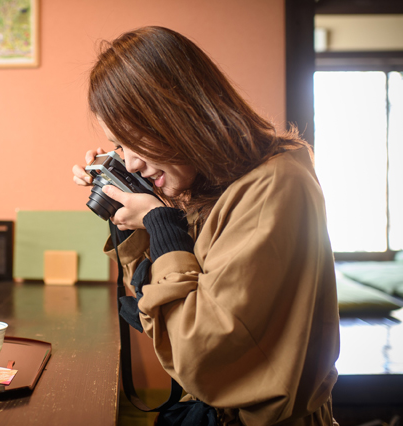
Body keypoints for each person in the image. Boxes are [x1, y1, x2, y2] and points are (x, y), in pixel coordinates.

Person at [72, 26, 340, 425]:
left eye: (133, 141)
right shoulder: (214, 187)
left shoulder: (273, 186)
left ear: (179, 114)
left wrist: (160, 223)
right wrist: (135, 218)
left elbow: (197, 354)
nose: (129, 163)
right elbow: (165, 322)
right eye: (118, 147)